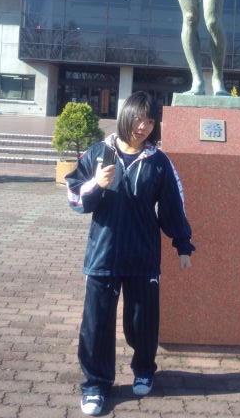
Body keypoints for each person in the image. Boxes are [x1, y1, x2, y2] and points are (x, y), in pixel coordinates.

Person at [66, 92, 194, 416]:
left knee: (142, 322)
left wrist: (182, 244)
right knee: (96, 324)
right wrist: (96, 184)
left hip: (142, 256)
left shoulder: (159, 161)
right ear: (126, 116)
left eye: (150, 121)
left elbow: (173, 205)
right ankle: (96, 385)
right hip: (103, 255)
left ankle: (144, 370)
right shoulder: (98, 153)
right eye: (138, 119)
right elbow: (75, 198)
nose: (143, 126)